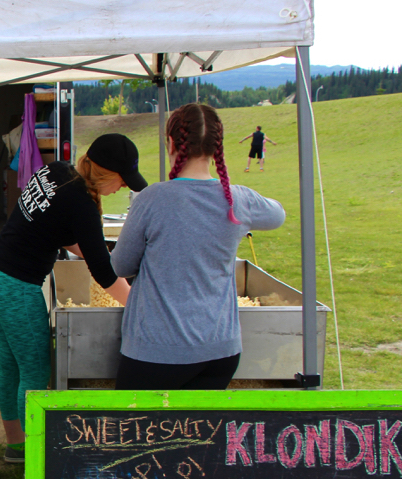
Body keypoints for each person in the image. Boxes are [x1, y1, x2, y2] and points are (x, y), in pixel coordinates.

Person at [0, 134, 145, 463]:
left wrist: (102, 254)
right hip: (15, 285)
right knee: (36, 371)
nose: (122, 188)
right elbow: (104, 273)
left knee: (11, 364)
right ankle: (37, 455)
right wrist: (139, 305)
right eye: (122, 181)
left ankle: (18, 447)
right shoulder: (81, 202)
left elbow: (61, 233)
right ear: (106, 173)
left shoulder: (58, 171)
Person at [112, 104, 286, 391]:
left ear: (170, 142)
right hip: (220, 350)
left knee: (136, 432)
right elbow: (277, 214)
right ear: (217, 147)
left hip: (156, 351)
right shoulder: (237, 199)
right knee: (199, 434)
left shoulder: (151, 199)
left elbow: (120, 266)